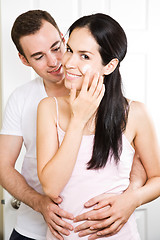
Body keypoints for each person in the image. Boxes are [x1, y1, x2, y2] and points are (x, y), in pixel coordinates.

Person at [0, 9, 146, 240]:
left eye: (58, 48)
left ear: (63, 37)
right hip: (35, 226)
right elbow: (3, 166)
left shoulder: (119, 101)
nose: (56, 61)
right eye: (38, 56)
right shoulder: (26, 100)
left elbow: (135, 159)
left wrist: (132, 195)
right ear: (23, 60)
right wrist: (39, 203)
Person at [37, 13, 160, 240]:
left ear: (110, 65)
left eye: (84, 56)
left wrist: (133, 199)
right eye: (70, 50)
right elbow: (51, 188)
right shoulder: (48, 108)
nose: (69, 62)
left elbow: (158, 177)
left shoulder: (135, 113)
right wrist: (78, 119)